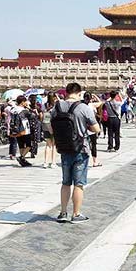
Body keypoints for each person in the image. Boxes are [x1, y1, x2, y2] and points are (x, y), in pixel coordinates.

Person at [50, 82, 100, 224]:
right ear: (79, 93)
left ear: (66, 92)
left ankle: (63, 212)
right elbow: (96, 129)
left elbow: (51, 127)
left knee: (66, 182)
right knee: (78, 184)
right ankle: (76, 214)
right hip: (81, 149)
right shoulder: (83, 107)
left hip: (64, 148)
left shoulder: (57, 107)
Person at [11, 95, 33, 167]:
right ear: (23, 102)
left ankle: (22, 160)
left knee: (21, 145)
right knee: (29, 145)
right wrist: (29, 108)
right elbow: (33, 116)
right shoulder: (24, 110)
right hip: (24, 129)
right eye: (25, 101)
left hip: (16, 129)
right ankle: (21, 157)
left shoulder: (13, 109)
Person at [42, 93, 58, 169]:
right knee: (54, 145)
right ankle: (53, 162)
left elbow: (44, 118)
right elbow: (47, 118)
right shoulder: (54, 107)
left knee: (48, 145)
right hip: (53, 127)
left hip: (45, 127)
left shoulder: (45, 105)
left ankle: (45, 162)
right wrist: (51, 129)